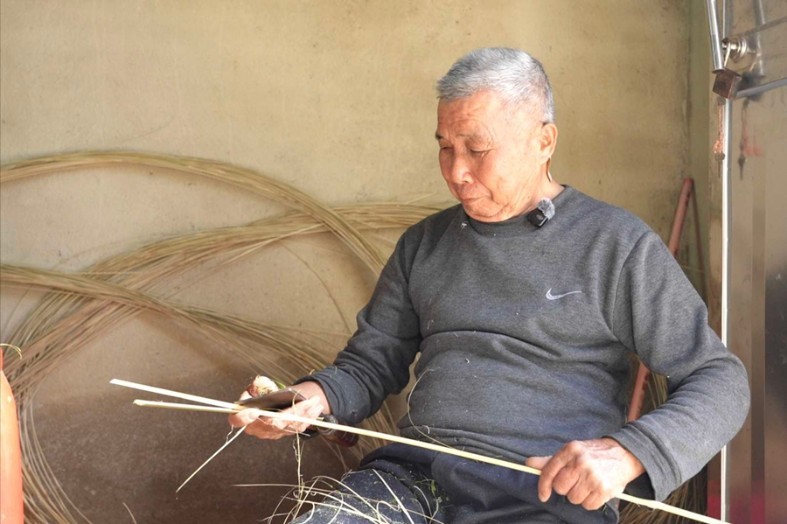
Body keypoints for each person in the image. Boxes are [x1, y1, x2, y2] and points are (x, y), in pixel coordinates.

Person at [230, 47, 750, 523]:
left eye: (477, 148)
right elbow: (369, 365)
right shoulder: (424, 244)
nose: (456, 171)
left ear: (543, 141)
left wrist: (628, 453)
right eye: (445, 147)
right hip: (410, 481)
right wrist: (306, 400)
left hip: (543, 498)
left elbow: (719, 379)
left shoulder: (614, 245)